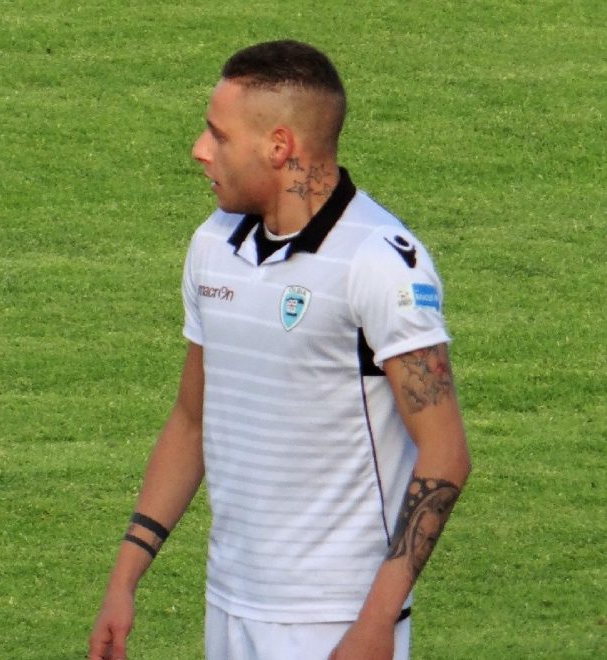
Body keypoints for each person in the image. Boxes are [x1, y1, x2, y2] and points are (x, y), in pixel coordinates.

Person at [87, 40, 471, 660]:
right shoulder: (213, 246)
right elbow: (192, 421)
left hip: (335, 620)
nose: (200, 149)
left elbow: (446, 453)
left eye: (219, 135)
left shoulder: (378, 262)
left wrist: (376, 622)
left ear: (279, 146)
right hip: (230, 604)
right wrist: (124, 578)